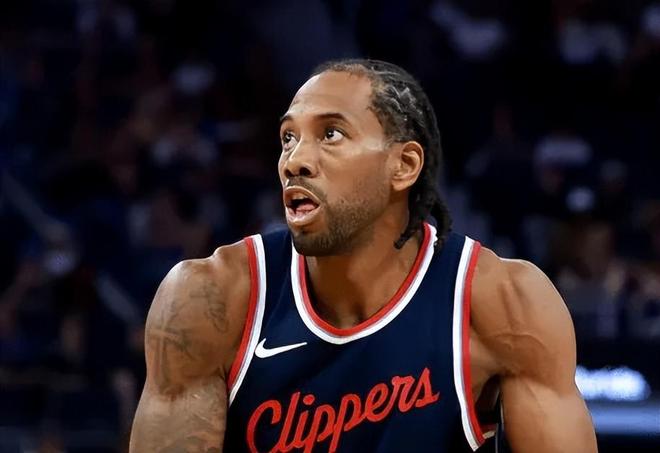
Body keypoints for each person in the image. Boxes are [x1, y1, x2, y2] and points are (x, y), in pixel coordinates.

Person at [129, 59, 598, 452]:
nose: (295, 160)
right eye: (288, 137)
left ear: (404, 166)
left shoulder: (503, 302)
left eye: (331, 134)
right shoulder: (211, 299)